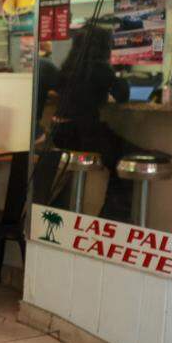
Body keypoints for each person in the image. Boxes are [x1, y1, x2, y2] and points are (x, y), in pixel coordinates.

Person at [49, 22, 136, 222]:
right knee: (126, 161)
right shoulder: (99, 69)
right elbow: (122, 94)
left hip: (59, 133)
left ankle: (65, 212)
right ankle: (112, 220)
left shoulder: (68, 67)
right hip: (83, 133)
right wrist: (117, 74)